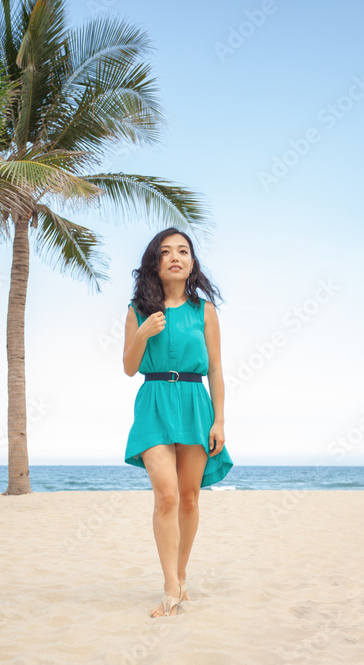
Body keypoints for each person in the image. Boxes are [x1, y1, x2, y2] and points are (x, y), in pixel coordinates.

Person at [122, 227, 233, 618]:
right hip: (153, 401)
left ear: (191, 263)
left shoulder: (205, 311)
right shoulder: (138, 310)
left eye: (183, 251)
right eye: (166, 251)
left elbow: (216, 369)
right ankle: (171, 587)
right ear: (155, 262)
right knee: (166, 495)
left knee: (189, 498)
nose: (175, 257)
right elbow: (128, 368)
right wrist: (143, 334)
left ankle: (181, 574)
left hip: (194, 403)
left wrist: (219, 419)